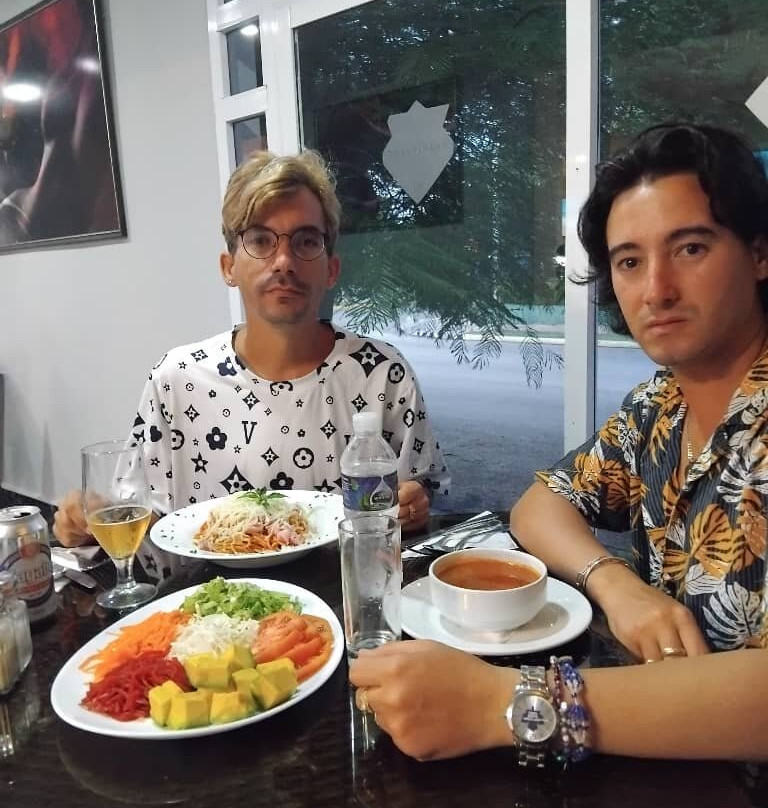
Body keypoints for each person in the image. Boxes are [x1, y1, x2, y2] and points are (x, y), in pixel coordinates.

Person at [349, 122, 768, 763]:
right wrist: (617, 584)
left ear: (759, 253)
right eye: (629, 261)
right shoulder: (661, 406)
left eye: (690, 248)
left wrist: (503, 704)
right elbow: (541, 502)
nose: (656, 289)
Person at [53, 150, 449, 559]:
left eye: (306, 241)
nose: (284, 261)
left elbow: (422, 496)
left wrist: (414, 505)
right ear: (229, 267)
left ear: (331, 269)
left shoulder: (382, 375)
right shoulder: (176, 380)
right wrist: (87, 522)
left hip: (344, 589)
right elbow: (140, 517)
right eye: (260, 240)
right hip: (211, 597)